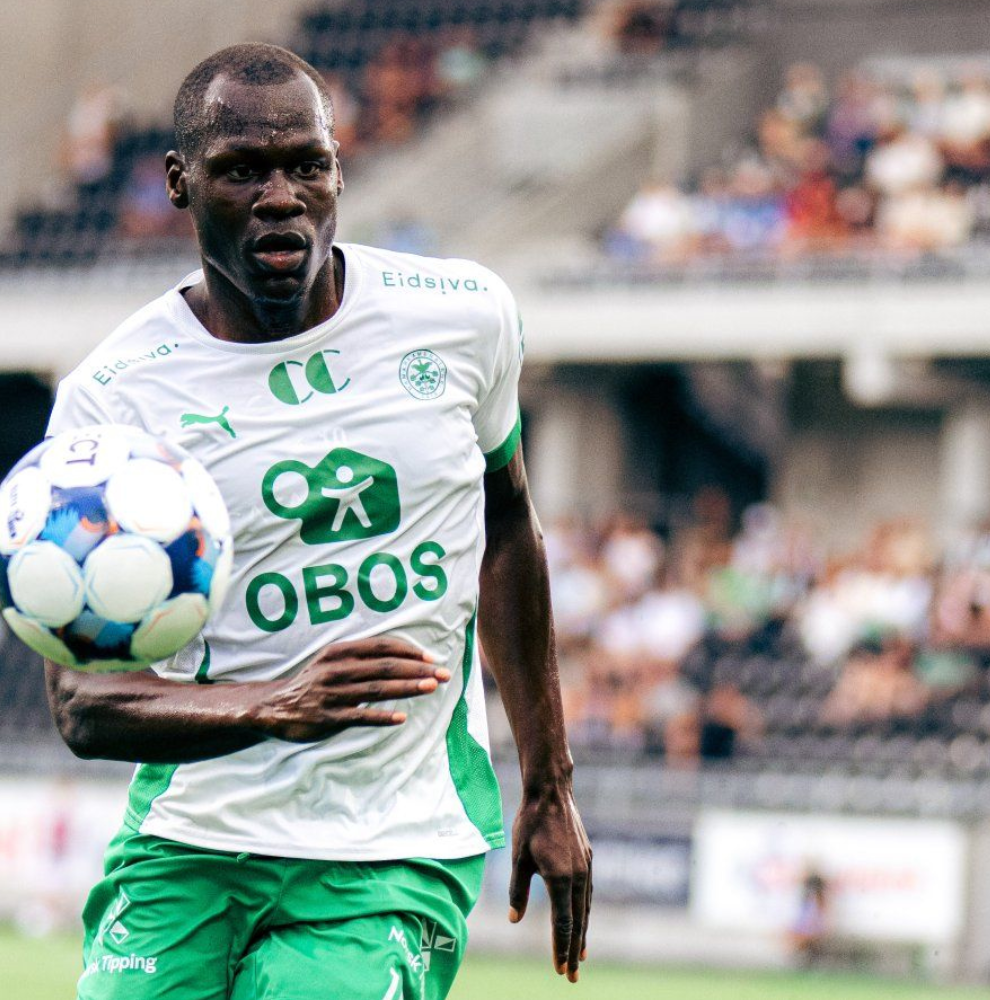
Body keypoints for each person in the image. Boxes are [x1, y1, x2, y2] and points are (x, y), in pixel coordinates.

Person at [42, 44, 591, 1000]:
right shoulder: (114, 402)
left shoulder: (464, 319)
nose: (281, 197)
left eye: (307, 165)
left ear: (340, 169)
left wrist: (549, 785)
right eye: (242, 171)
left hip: (390, 844)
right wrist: (275, 704)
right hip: (187, 842)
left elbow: (508, 529)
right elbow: (83, 706)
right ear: (178, 182)